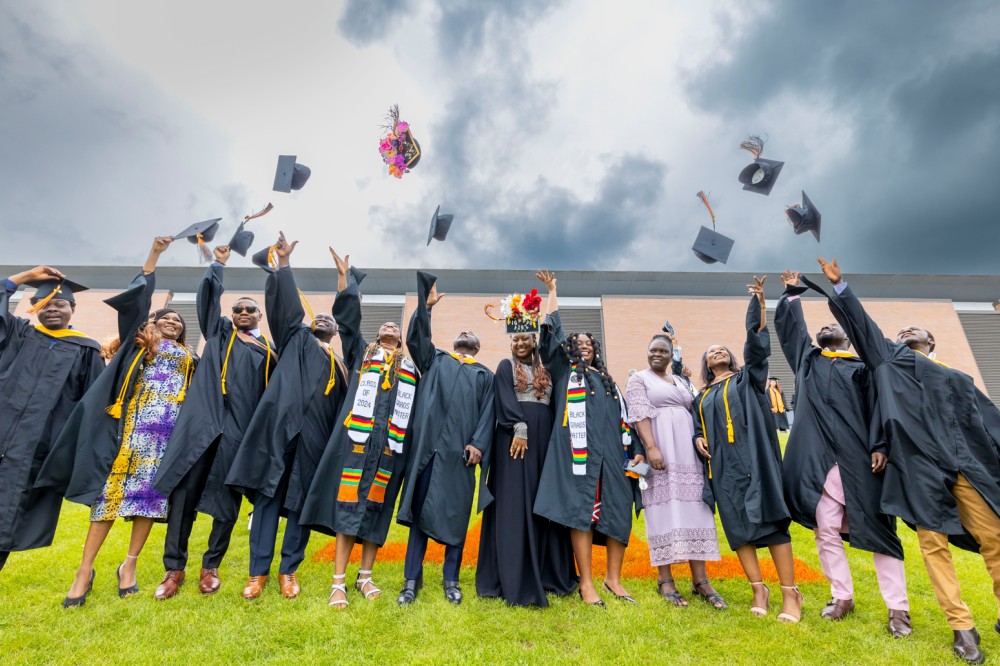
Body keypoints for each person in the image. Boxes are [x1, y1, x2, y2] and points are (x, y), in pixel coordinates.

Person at [819, 257, 1000, 663]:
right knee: (933, 545)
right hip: (918, 466)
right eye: (901, 331)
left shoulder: (959, 378)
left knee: (995, 540)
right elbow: (864, 330)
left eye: (914, 330)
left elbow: (990, 427)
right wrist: (842, 287)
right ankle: (962, 627)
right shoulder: (890, 361)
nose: (906, 332)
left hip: (966, 465)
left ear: (932, 341)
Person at [37, 237, 194, 607]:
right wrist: (154, 257)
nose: (171, 321)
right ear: (153, 325)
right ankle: (84, 571)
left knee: (148, 504)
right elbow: (138, 304)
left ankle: (129, 566)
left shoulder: (190, 357)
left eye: (177, 321)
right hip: (129, 435)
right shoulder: (140, 343)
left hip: (166, 439)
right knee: (107, 502)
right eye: (165, 318)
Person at [775, 270, 910, 636]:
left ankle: (898, 609)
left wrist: (880, 445)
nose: (823, 331)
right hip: (819, 461)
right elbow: (792, 333)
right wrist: (791, 293)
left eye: (831, 327)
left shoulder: (865, 368)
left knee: (881, 532)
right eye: (819, 330)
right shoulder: (808, 362)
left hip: (860, 459)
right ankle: (842, 596)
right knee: (826, 530)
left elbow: (881, 408)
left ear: (847, 337)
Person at [226, 232, 349, 601]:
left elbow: (351, 319)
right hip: (281, 433)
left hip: (315, 442)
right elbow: (287, 309)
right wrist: (285, 265)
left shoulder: (343, 366)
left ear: (337, 330)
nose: (323, 318)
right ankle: (257, 573)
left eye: (331, 318)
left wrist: (344, 284)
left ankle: (288, 571)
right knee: (267, 501)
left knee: (299, 506)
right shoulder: (296, 338)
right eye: (319, 316)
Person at [151, 245, 277, 600]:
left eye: (249, 309)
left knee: (226, 504)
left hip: (237, 433)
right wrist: (217, 266)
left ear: (259, 317)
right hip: (202, 427)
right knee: (182, 501)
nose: (241, 312)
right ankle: (174, 569)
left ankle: (211, 566)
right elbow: (208, 300)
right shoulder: (219, 332)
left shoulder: (268, 352)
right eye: (237, 308)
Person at [300, 250, 420, 608]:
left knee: (376, 510)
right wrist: (345, 281)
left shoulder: (411, 371)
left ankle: (364, 578)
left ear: (400, 340)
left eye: (394, 328)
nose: (388, 328)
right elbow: (349, 321)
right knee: (347, 506)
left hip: (388, 448)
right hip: (357, 445)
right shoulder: (361, 356)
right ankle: (338, 582)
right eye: (384, 326)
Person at [693, 276, 802, 623]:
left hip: (755, 459)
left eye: (722, 349)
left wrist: (758, 303)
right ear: (707, 365)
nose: (718, 352)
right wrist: (697, 437)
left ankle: (790, 593)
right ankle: (759, 588)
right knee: (738, 527)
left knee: (771, 524)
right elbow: (696, 427)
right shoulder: (702, 397)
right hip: (723, 467)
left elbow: (756, 346)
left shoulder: (749, 379)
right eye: (711, 352)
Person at [533, 271, 646, 607]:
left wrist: (637, 451)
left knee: (617, 513)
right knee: (581, 511)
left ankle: (614, 579)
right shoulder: (566, 371)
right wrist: (553, 292)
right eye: (577, 342)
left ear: (597, 350)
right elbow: (551, 338)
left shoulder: (610, 383)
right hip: (578, 453)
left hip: (613, 455)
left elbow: (627, 422)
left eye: (589, 343)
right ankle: (586, 583)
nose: (583, 344)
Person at [395, 271, 495, 606]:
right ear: (454, 344)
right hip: (428, 453)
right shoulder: (435, 360)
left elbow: (489, 414)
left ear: (477, 347)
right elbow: (416, 337)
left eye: (471, 334)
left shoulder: (485, 375)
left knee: (456, 516)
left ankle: (451, 580)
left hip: (458, 457)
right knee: (419, 518)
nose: (465, 334)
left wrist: (479, 444)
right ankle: (411, 580)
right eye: (461, 333)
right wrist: (426, 307)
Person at [0, 268, 104, 573]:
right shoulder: (19, 335)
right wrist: (22, 277)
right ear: (34, 308)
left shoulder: (86, 350)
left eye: (60, 304)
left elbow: (94, 405)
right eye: (45, 304)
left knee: (12, 514)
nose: (53, 308)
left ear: (73, 309)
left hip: (38, 451)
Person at [476, 331, 578, 607]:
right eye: (515, 339)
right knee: (514, 502)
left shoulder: (548, 368)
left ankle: (549, 573)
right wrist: (519, 429)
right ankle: (514, 576)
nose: (519, 344)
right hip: (514, 441)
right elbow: (504, 400)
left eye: (525, 339)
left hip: (545, 442)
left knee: (543, 502)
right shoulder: (505, 366)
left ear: (534, 340)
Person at [626, 333, 724, 609]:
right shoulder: (639, 379)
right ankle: (665, 578)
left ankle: (700, 580)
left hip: (688, 455)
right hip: (661, 452)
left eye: (663, 351)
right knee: (663, 511)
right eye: (652, 350)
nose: (657, 354)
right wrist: (652, 447)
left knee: (696, 509)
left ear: (671, 355)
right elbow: (639, 415)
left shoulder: (681, 381)